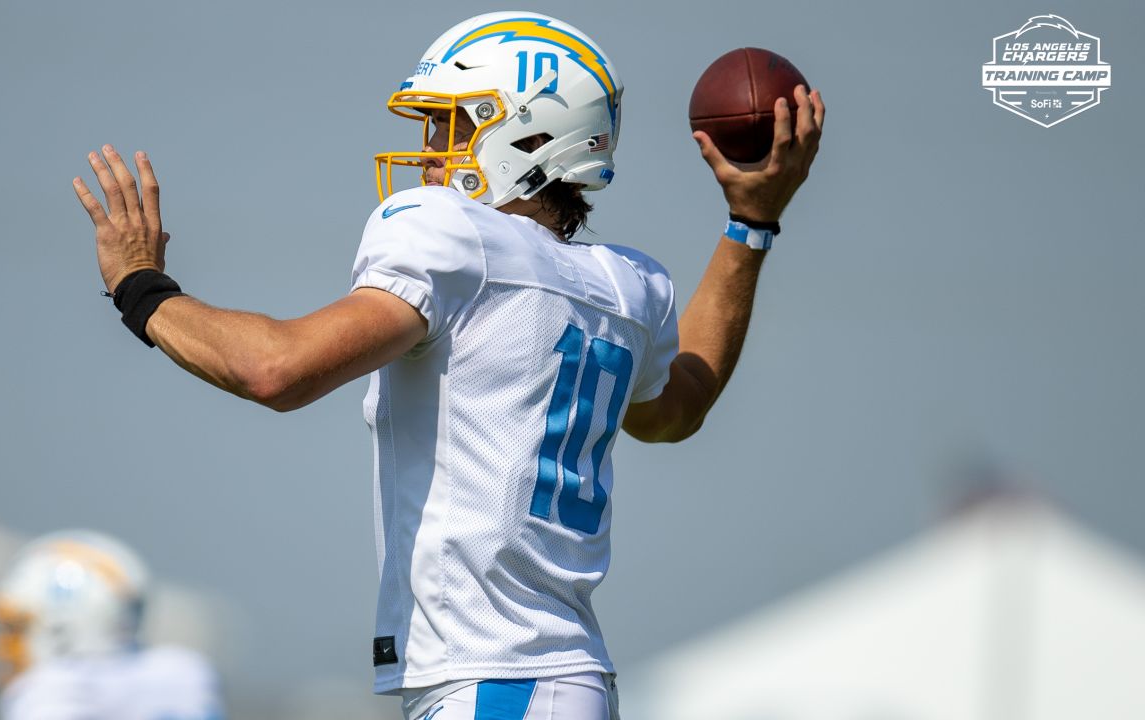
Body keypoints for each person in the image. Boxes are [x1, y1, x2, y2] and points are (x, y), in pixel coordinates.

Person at [72, 11, 823, 720]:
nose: (432, 149)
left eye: (454, 125)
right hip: (548, 677)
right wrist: (750, 226)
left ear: (530, 135)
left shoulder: (452, 236)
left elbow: (276, 369)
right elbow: (679, 407)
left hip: (501, 680)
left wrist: (141, 289)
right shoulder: (628, 285)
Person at [0, 530, 225, 720]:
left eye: (16, 628)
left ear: (63, 631)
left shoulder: (47, 691)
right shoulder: (184, 670)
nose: (2, 645)